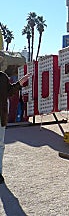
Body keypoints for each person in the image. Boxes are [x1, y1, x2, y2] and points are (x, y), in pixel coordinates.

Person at [0, 55, 30, 184]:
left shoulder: (2, 77)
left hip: (1, 115)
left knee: (0, 145)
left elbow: (10, 92)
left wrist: (20, 82)